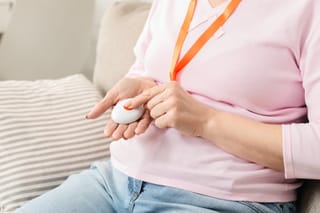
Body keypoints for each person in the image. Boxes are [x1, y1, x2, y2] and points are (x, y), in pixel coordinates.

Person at [16, 0, 320, 212]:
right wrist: (138, 85)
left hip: (221, 199)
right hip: (115, 181)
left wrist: (206, 122)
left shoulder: (308, 9)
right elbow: (144, 67)